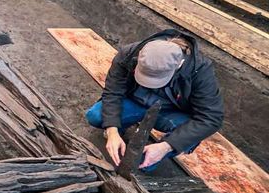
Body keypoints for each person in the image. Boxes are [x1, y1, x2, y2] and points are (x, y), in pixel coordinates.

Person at [85, 29, 224, 172]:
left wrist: (166, 146)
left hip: (169, 111)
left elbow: (211, 117)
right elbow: (113, 92)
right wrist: (112, 130)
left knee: (146, 162)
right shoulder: (129, 54)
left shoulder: (199, 71)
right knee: (96, 116)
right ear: (139, 57)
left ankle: (154, 154)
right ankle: (120, 130)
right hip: (136, 101)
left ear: (179, 64)